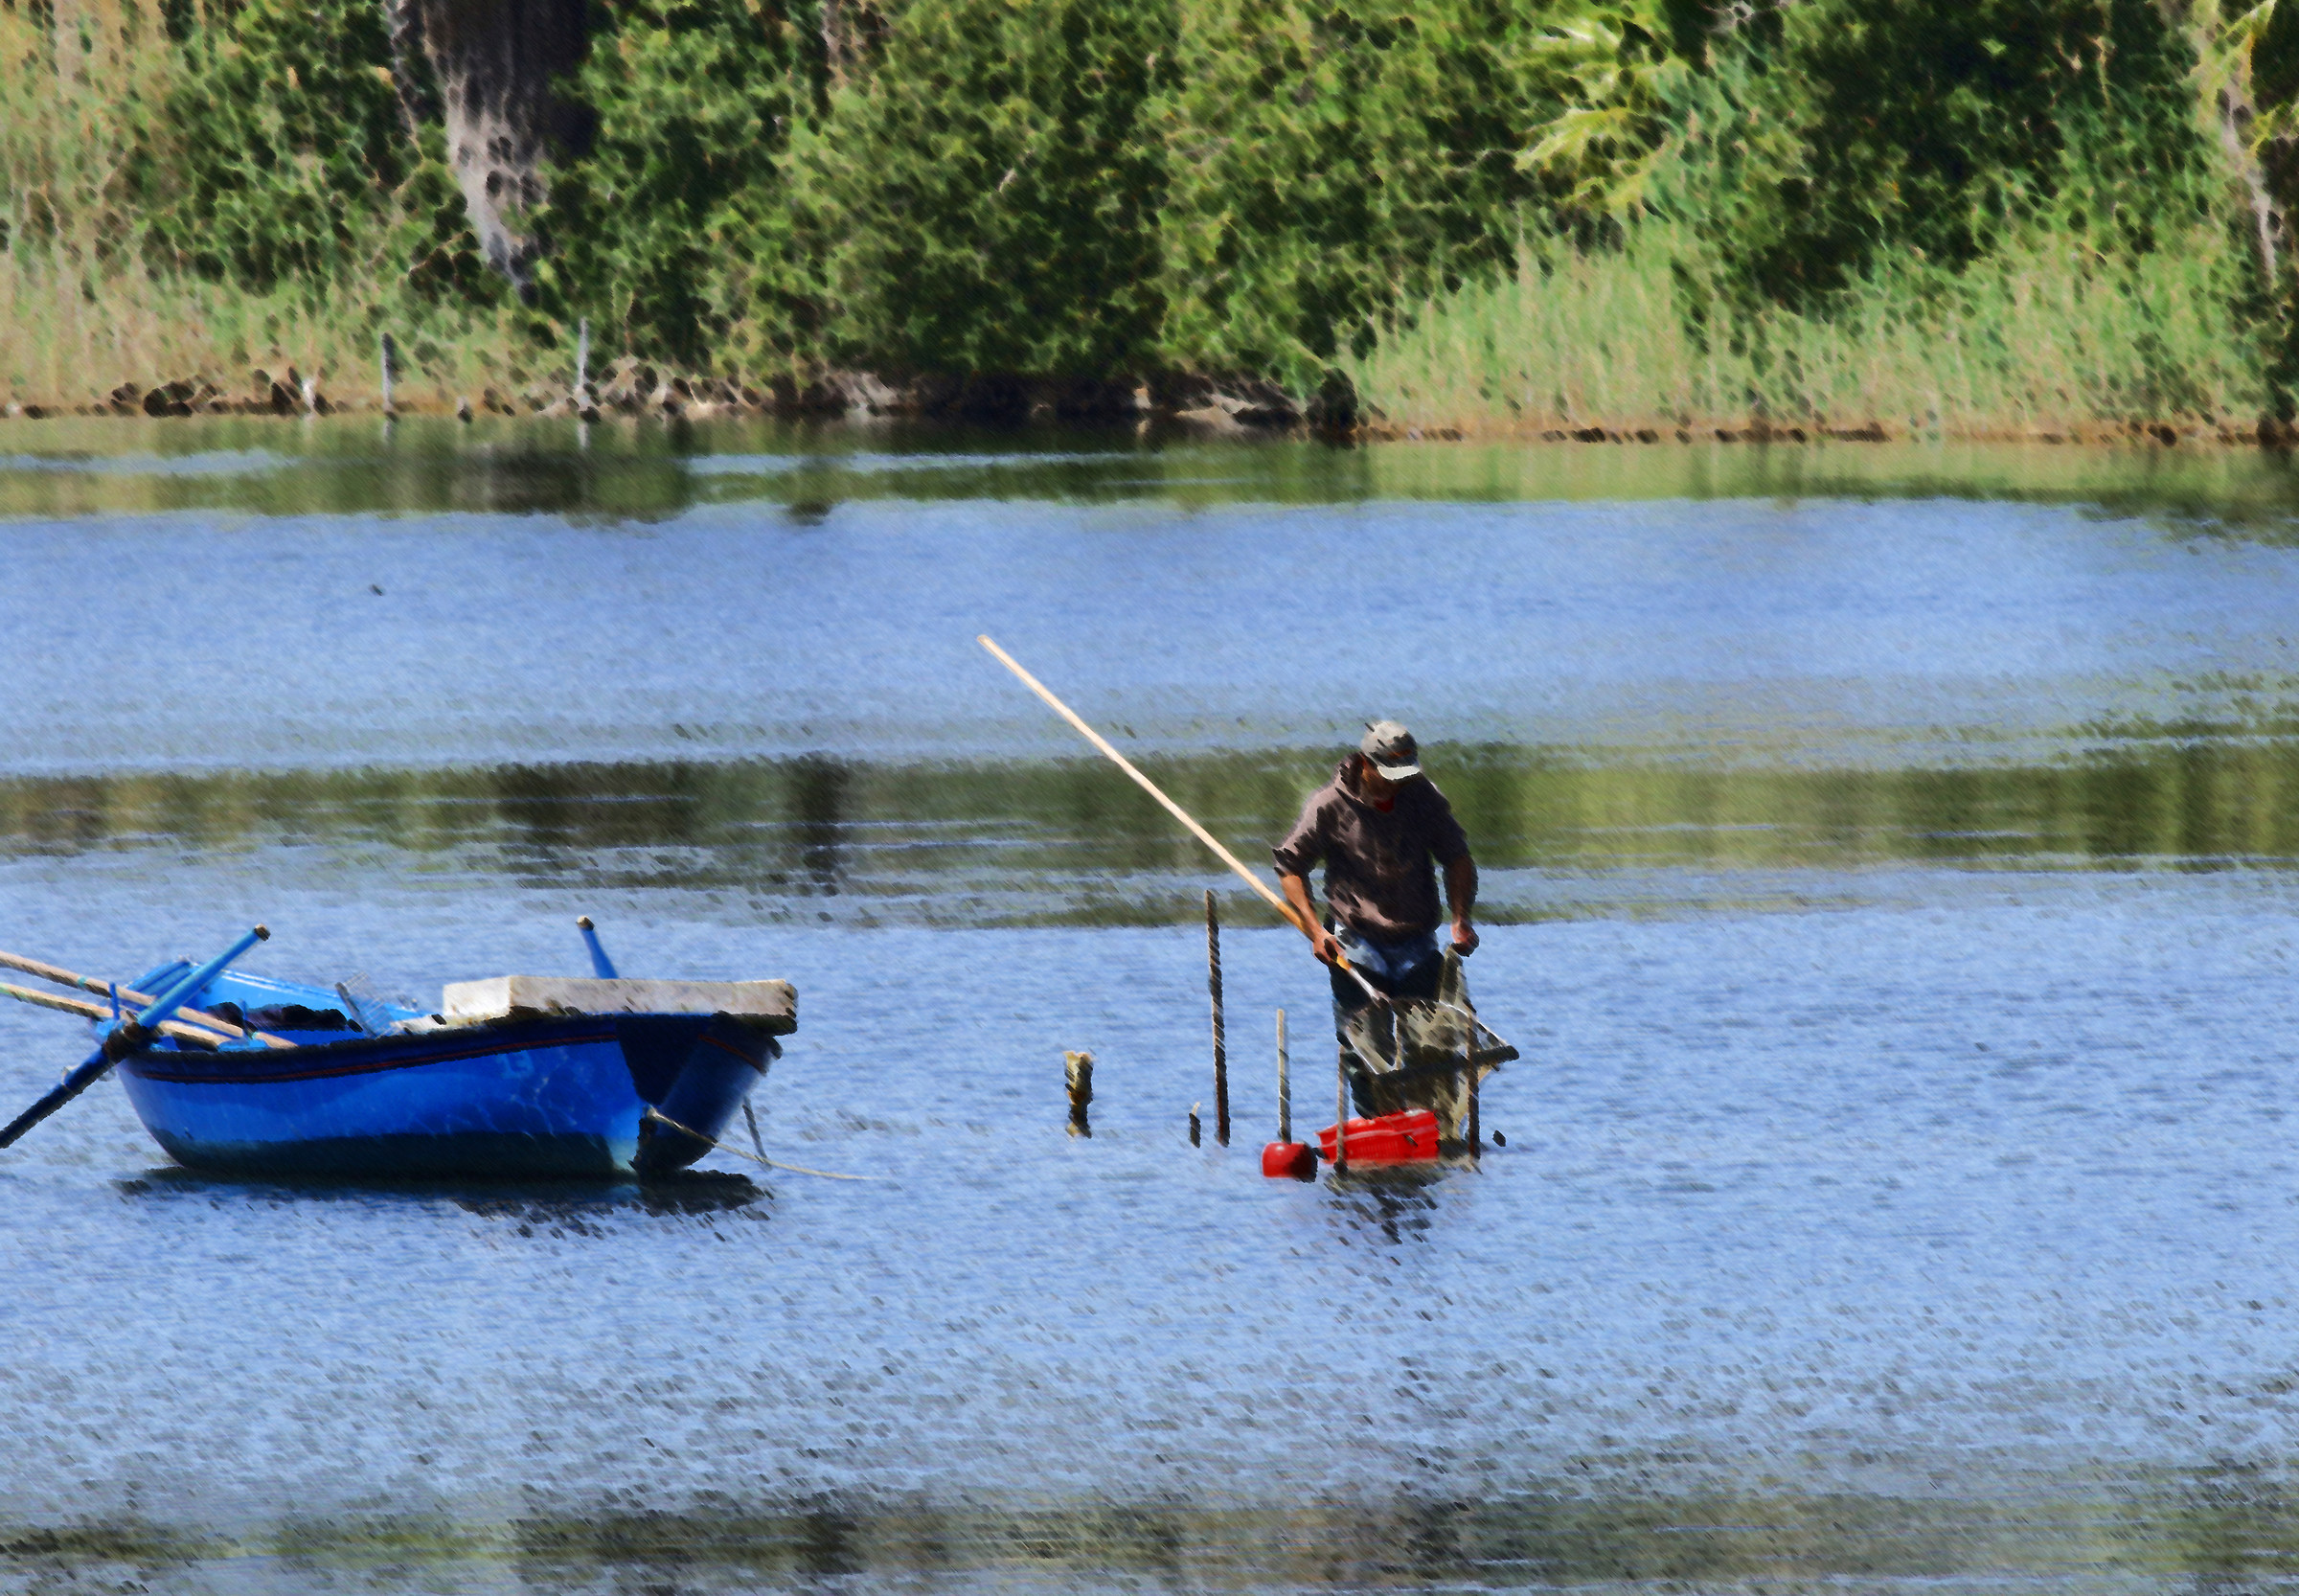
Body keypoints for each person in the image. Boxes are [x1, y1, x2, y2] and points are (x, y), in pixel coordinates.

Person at [1273, 721, 1481, 1119]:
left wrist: (1461, 919)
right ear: (1365, 764)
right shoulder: (1329, 804)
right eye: (1387, 777)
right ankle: (1377, 1128)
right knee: (1364, 1050)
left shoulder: (1423, 799)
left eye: (1402, 777)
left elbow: (1458, 857)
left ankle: (1426, 1132)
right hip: (1355, 941)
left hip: (1416, 941)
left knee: (1428, 1046)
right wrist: (1316, 931)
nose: (1395, 786)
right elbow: (1289, 866)